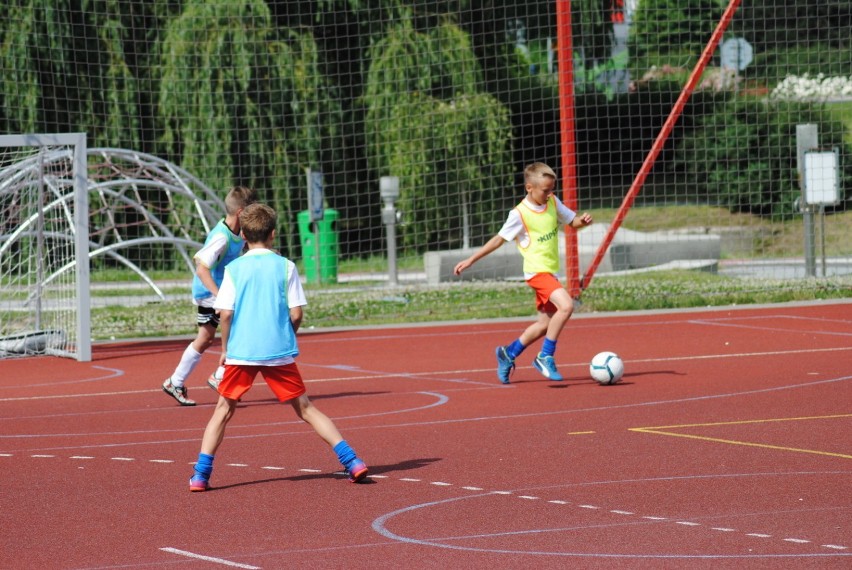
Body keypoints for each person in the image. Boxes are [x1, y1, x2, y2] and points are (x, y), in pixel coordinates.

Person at [188, 203, 368, 491]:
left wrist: (225, 349)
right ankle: (352, 461)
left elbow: (225, 314)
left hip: (242, 352)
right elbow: (296, 314)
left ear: (243, 236)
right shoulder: (287, 266)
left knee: (223, 410)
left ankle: (200, 475)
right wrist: (286, 334)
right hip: (278, 350)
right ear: (273, 234)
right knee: (306, 408)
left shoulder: (234, 269)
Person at [453, 162, 592, 384]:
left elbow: (571, 221)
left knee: (545, 324)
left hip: (549, 273)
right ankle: (545, 356)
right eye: (544, 190)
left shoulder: (553, 202)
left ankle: (508, 353)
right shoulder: (519, 214)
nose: (548, 194)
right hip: (537, 273)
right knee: (566, 306)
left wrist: (582, 222)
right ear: (529, 188)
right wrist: (471, 259)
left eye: (551, 190)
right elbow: (498, 239)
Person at [162, 186, 258, 406]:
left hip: (219, 291)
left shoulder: (238, 233)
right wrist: (218, 296)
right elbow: (201, 268)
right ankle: (220, 376)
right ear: (242, 212)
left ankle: (175, 382)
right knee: (241, 328)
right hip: (209, 291)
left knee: (205, 338)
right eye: (252, 212)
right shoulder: (221, 237)